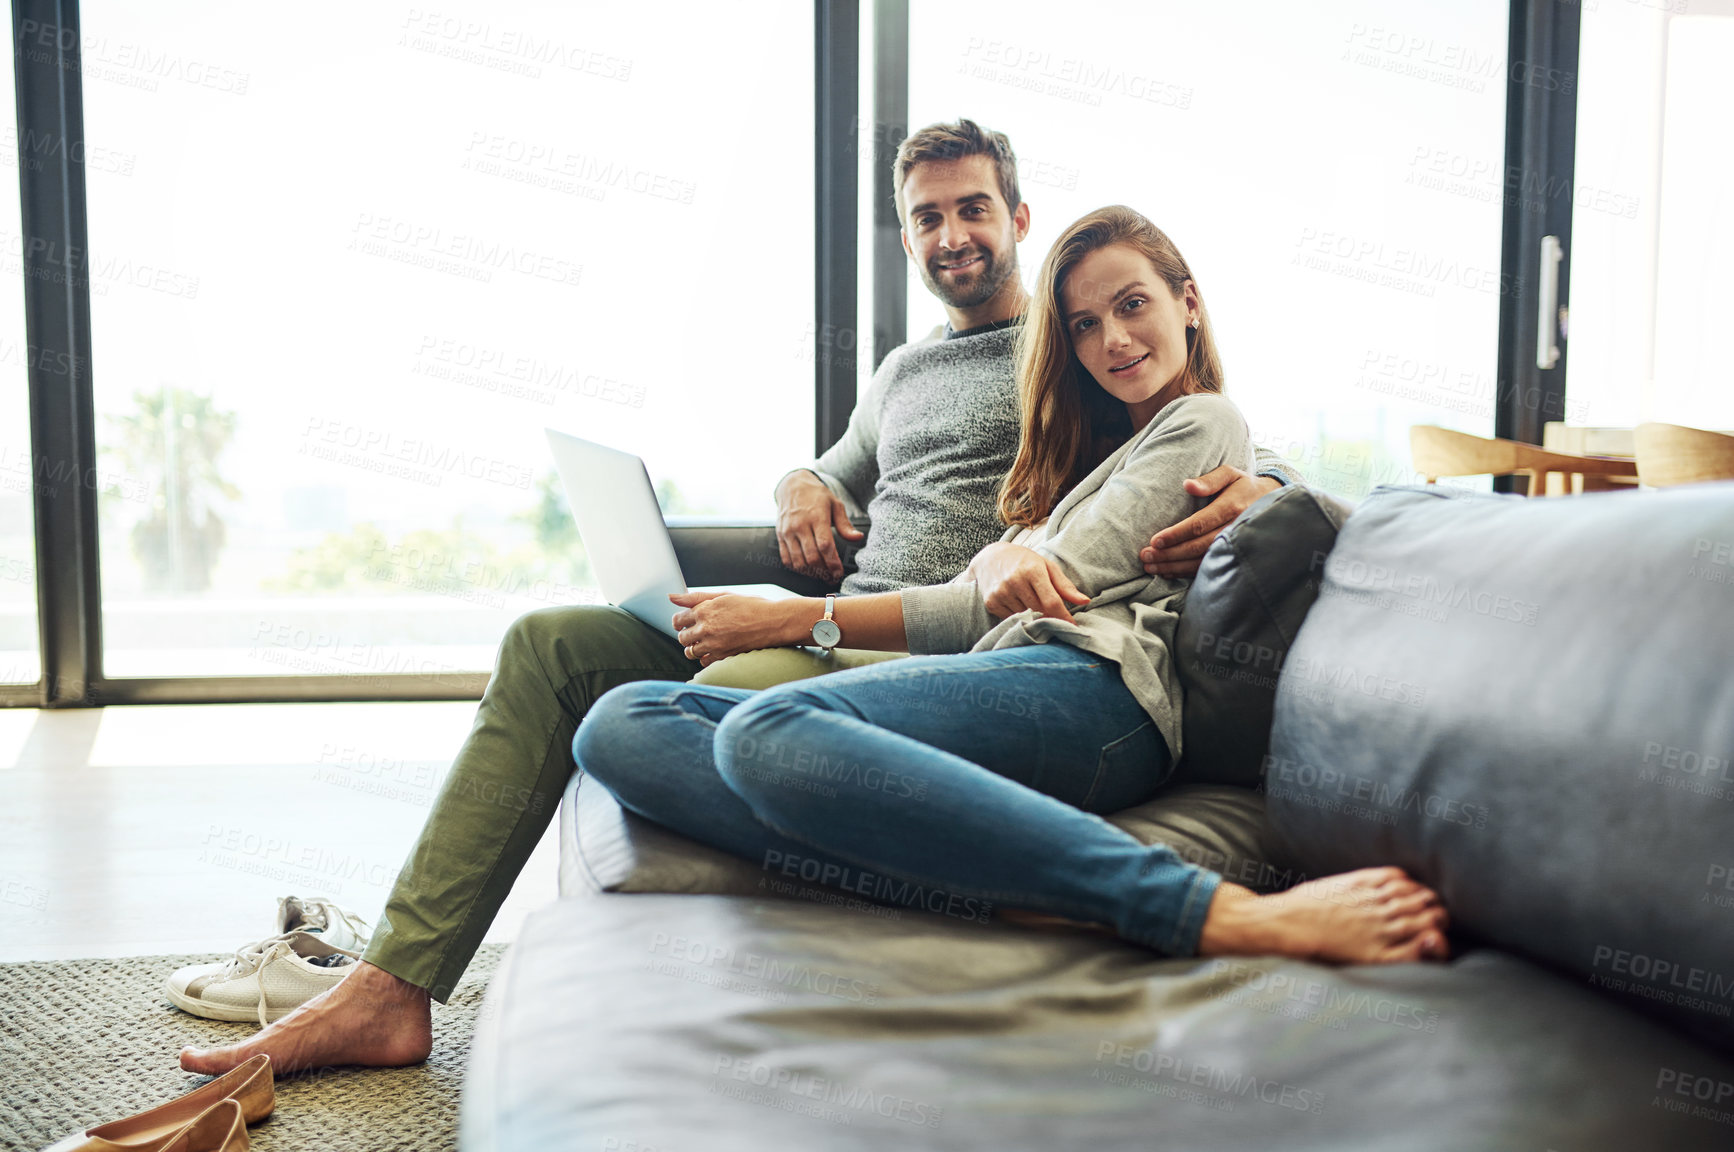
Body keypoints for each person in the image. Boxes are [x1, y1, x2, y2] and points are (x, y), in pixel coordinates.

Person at [179, 120, 1300, 1077]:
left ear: (1016, 215)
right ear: (906, 234)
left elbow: (1199, 433)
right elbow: (840, 464)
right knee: (554, 652)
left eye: (974, 210)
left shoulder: (1064, 356)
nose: (953, 236)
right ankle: (393, 983)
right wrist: (800, 482)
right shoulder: (907, 372)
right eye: (927, 217)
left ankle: (1012, 872)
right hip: (848, 630)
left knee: (743, 706)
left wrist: (1277, 490)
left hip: (938, 653)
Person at [576, 205, 1452, 966]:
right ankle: (988, 879)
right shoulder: (1096, 458)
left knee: (769, 731)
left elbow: (1027, 597)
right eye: (1081, 324)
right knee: (619, 724)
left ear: (1189, 303)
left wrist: (798, 618)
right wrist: (996, 549)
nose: (1112, 338)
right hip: (1011, 671)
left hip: (1101, 691)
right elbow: (980, 583)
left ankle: (1202, 910)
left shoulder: (1205, 420)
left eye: (1133, 304)